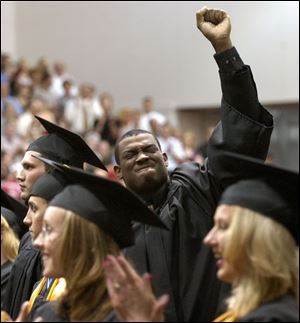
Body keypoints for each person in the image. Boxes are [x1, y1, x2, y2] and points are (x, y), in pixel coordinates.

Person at [112, 6, 273, 322]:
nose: (143, 156)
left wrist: (223, 49)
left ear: (165, 157)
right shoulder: (112, 224)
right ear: (117, 173)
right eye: (131, 155)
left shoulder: (199, 186)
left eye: (149, 150)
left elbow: (238, 139)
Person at [104, 150, 299, 322]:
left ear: (257, 240)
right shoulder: (242, 313)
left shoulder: (273, 318)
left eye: (223, 226)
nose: (209, 238)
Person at [21, 158, 166, 322]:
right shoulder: (46, 313)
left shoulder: (125, 317)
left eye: (49, 230)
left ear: (81, 242)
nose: (37, 242)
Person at [3, 116, 107, 320]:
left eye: (29, 167)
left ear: (58, 171)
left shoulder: (72, 245)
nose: (19, 175)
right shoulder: (28, 239)